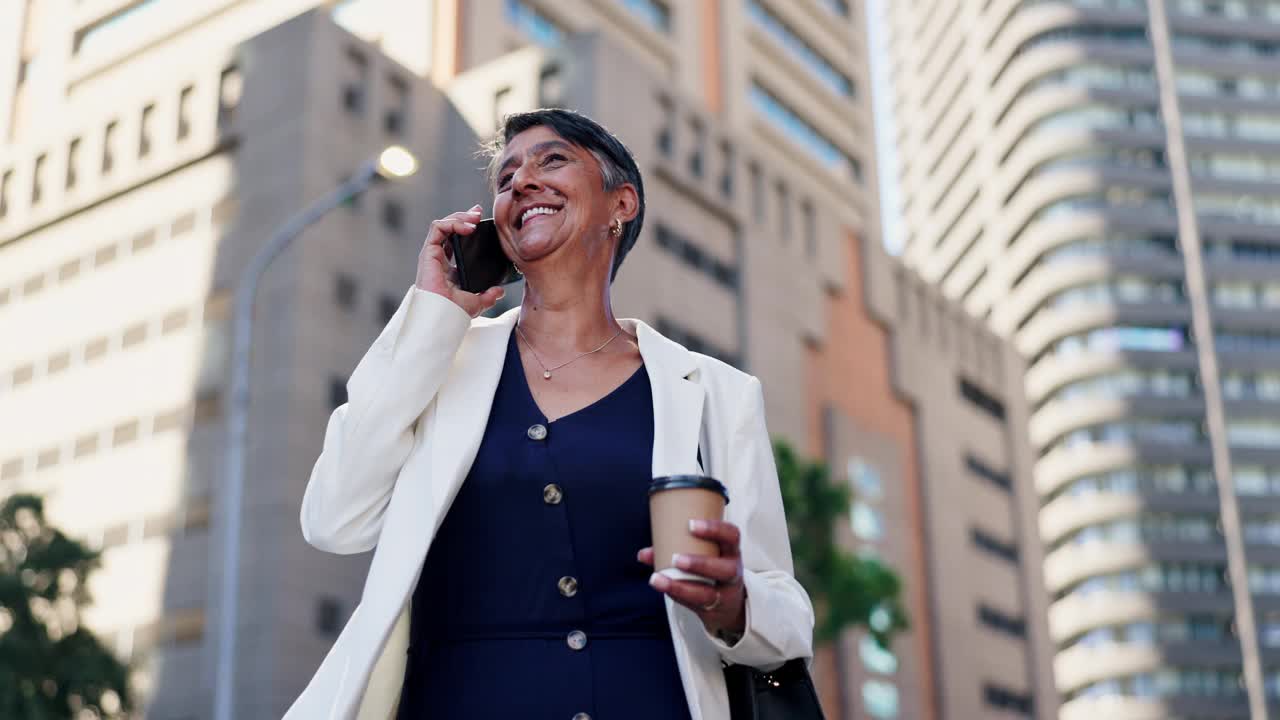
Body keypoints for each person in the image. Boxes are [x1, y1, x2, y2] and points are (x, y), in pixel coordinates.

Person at [283, 108, 813, 720]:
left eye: (552, 160)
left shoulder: (717, 394)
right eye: (505, 180)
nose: (522, 183)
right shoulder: (437, 362)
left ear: (622, 203)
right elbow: (335, 519)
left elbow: (788, 613)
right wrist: (434, 314)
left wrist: (735, 604)